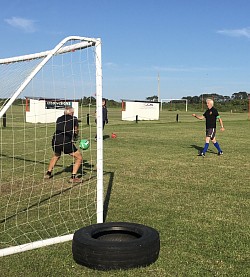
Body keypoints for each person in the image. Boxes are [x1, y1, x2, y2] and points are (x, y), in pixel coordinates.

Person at [44, 106, 83, 183]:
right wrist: (75, 137)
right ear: (71, 113)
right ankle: (73, 177)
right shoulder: (74, 119)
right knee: (79, 157)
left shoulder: (59, 118)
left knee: (56, 155)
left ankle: (48, 173)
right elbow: (76, 129)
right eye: (73, 112)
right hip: (65, 141)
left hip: (55, 140)